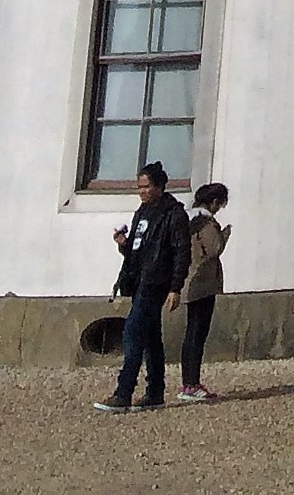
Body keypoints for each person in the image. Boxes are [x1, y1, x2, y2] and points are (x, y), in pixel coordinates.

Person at [92, 163, 190, 413]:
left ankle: (123, 392)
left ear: (159, 186)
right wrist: (123, 244)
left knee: (132, 332)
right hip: (139, 280)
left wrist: (175, 287)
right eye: (139, 187)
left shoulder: (174, 214)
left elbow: (181, 252)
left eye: (146, 186)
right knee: (151, 339)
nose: (142, 191)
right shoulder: (142, 212)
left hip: (157, 281)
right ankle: (155, 392)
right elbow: (138, 249)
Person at [177, 182, 230, 401]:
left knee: (191, 333)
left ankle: (187, 382)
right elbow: (214, 249)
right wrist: (225, 234)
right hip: (203, 283)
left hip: (189, 280)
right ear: (215, 201)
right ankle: (192, 383)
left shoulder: (188, 220)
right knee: (197, 334)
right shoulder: (206, 222)